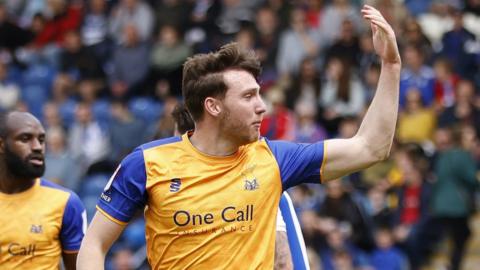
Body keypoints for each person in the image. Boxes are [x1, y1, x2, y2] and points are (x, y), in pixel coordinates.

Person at [78, 5, 401, 269]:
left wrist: (390, 64)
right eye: (248, 97)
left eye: (259, 95)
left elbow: (370, 147)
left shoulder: (273, 159)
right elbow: (93, 244)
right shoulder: (146, 163)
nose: (262, 107)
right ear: (213, 106)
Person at [171, 103, 308, 269]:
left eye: (179, 140)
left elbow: (283, 262)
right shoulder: (181, 192)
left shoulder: (259, 186)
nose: (174, 148)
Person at [0, 111, 86, 269]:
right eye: (25, 139)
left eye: (41, 140)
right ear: (2, 145)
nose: (37, 147)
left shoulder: (66, 202)